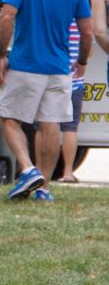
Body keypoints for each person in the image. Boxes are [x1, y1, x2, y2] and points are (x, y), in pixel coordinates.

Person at [0, 0, 91, 202]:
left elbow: (6, 18)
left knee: (9, 117)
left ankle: (27, 169)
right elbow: (86, 32)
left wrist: (2, 54)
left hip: (25, 64)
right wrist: (82, 60)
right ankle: (43, 188)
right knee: (49, 124)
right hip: (59, 69)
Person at [59, 23, 87, 183]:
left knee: (45, 127)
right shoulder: (81, 22)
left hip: (52, 78)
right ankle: (68, 172)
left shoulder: (54, 16)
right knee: (70, 128)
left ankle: (40, 169)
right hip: (75, 81)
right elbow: (87, 50)